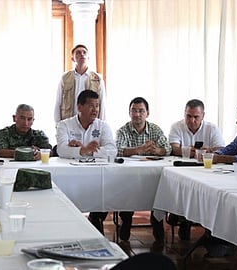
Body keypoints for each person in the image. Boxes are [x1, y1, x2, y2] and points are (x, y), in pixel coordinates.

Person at [56, 90, 116, 233]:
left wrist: (82, 150)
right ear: (79, 107)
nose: (95, 109)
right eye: (91, 105)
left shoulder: (103, 126)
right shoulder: (64, 125)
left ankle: (96, 217)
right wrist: (84, 151)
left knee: (106, 189)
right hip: (70, 174)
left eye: (97, 105)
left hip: (97, 173)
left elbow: (112, 151)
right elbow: (61, 150)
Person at [115, 97, 171, 247]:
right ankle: (126, 219)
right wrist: (138, 149)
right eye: (134, 110)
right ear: (129, 113)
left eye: (141, 111)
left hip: (152, 173)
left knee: (159, 187)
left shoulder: (155, 129)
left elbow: (167, 148)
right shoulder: (123, 130)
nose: (137, 114)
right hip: (129, 175)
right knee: (126, 188)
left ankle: (157, 220)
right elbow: (118, 150)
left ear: (147, 113)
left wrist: (158, 150)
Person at [54, 44, 106, 123]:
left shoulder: (97, 79)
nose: (82, 54)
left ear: (88, 57)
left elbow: (102, 103)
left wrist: (100, 125)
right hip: (68, 123)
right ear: (73, 59)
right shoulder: (65, 78)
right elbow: (58, 102)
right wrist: (58, 124)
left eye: (84, 52)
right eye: (78, 53)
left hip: (90, 124)